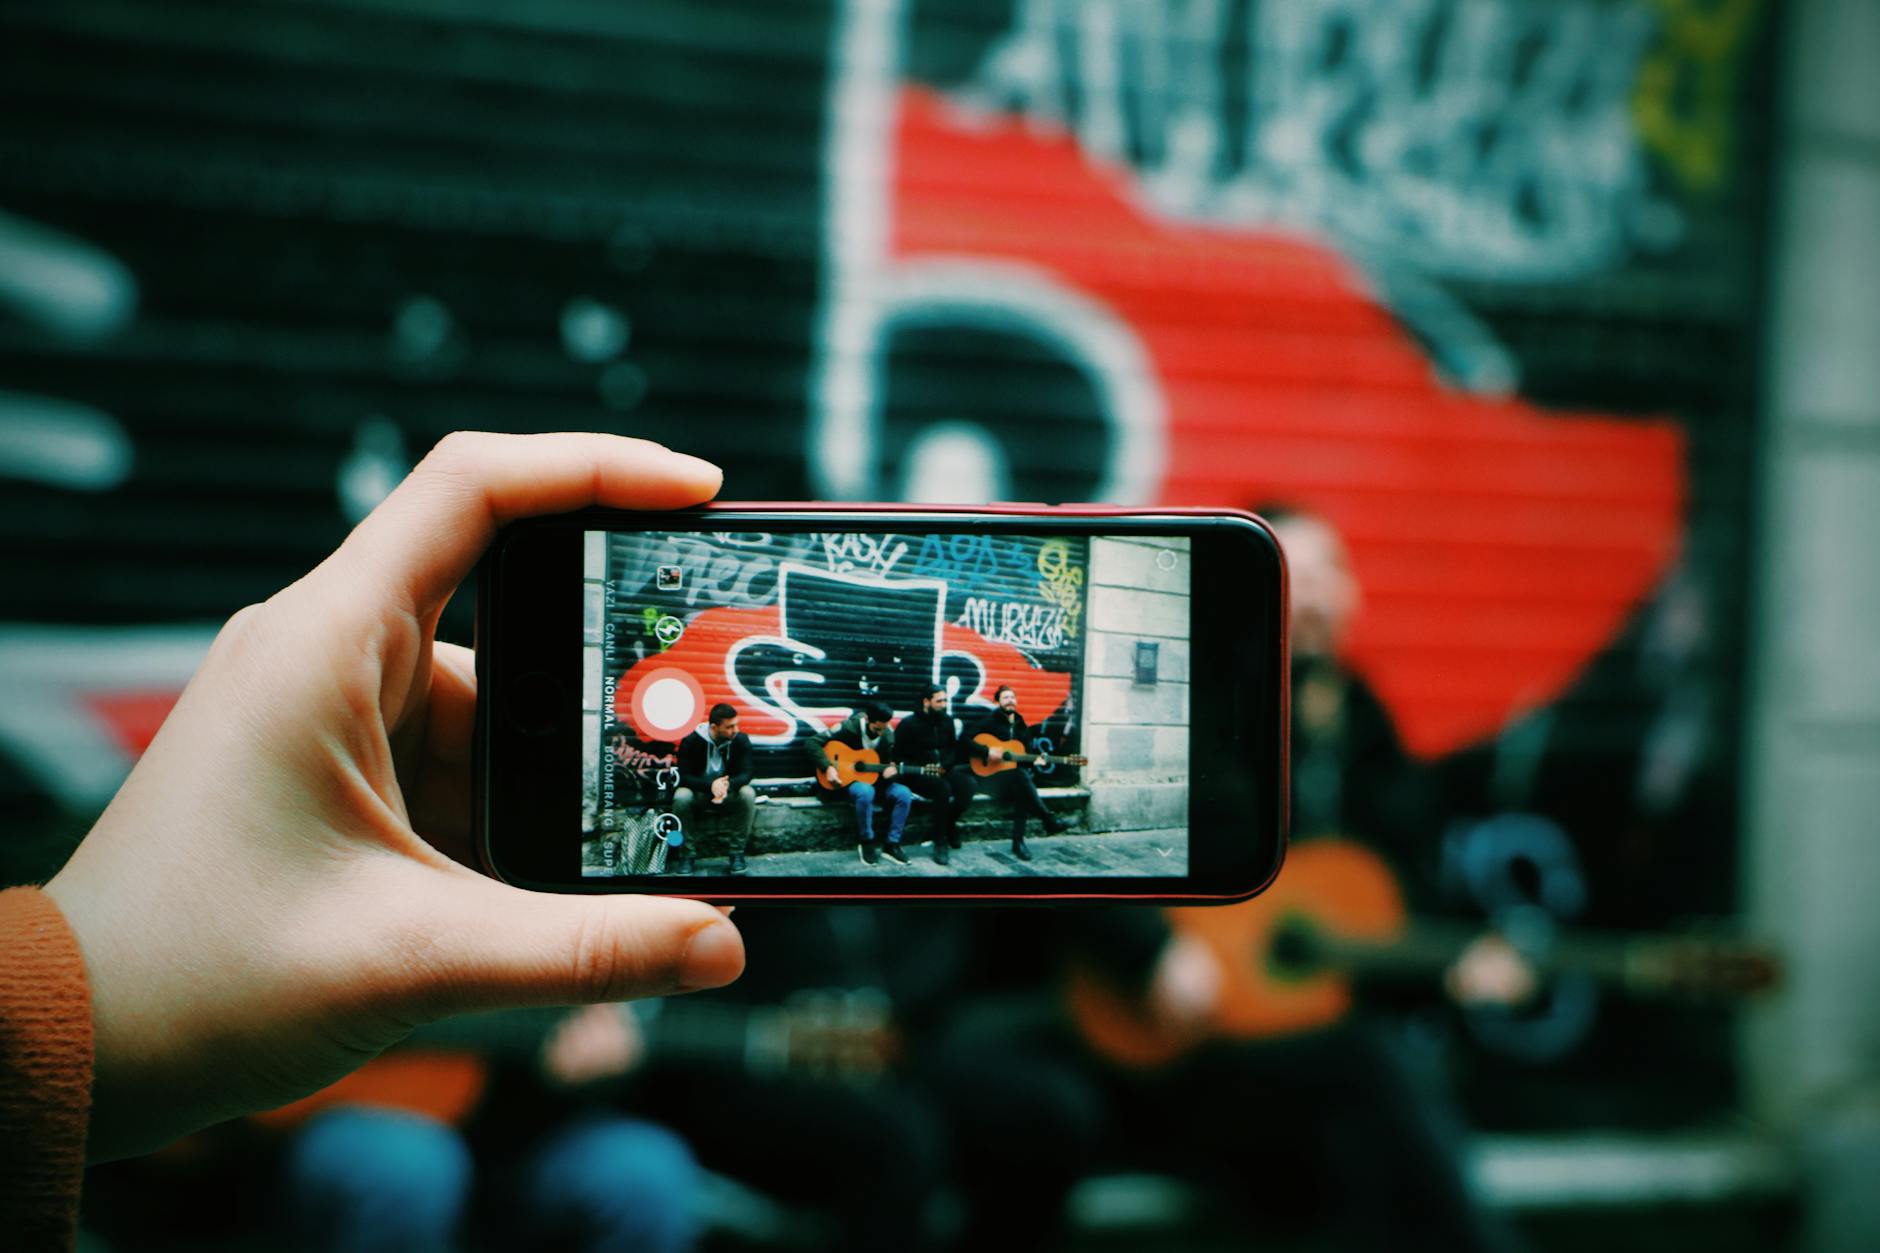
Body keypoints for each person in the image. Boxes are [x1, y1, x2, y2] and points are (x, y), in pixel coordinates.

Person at [0, 432, 746, 1251]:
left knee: (640, 1169)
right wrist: (96, 1008)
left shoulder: (563, 808)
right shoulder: (313, 780)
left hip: (512, 1128)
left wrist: (573, 1061)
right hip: (316, 1137)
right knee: (396, 1164)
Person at [956, 685, 1069, 862]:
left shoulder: (1020, 724)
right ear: (998, 702)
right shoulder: (989, 720)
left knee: (1021, 784)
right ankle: (1048, 821)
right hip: (988, 777)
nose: (1010, 700)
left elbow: (1024, 755)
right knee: (1021, 780)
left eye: (1012, 697)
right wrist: (986, 751)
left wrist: (1035, 760)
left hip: (1009, 776)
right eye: (1005, 697)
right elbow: (964, 739)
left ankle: (1019, 842)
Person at [807, 700, 915, 866]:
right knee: (866, 791)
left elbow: (887, 765)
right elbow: (812, 742)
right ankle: (867, 841)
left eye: (884, 728)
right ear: (867, 719)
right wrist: (827, 767)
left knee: (904, 793)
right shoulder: (848, 728)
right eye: (877, 729)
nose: (881, 733)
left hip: (876, 782)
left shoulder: (888, 736)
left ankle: (892, 844)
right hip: (847, 782)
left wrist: (891, 774)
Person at [891, 684, 974, 865]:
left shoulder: (947, 721)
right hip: (917, 774)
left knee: (968, 786)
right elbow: (897, 756)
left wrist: (945, 765)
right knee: (942, 789)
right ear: (926, 702)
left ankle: (948, 825)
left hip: (942, 770)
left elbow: (952, 749)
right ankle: (940, 841)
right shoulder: (908, 724)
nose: (943, 705)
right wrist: (921, 767)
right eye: (939, 701)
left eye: (945, 700)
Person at [670, 703, 757, 876]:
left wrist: (727, 785)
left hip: (727, 793)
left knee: (748, 794)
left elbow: (747, 772)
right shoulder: (692, 741)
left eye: (736, 725)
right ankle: (687, 855)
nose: (735, 730)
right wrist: (710, 786)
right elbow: (684, 776)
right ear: (714, 727)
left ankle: (736, 852)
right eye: (729, 727)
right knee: (681, 797)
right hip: (700, 794)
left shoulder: (740, 740)